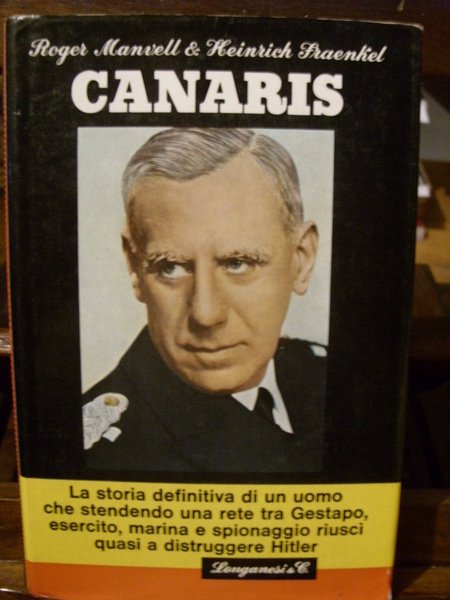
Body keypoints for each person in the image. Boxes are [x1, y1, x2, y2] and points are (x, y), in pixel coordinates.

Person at [82, 128, 327, 473]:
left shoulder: (326, 377)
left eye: (238, 263)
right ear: (134, 267)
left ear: (301, 259)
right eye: (170, 267)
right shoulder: (105, 455)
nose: (206, 314)